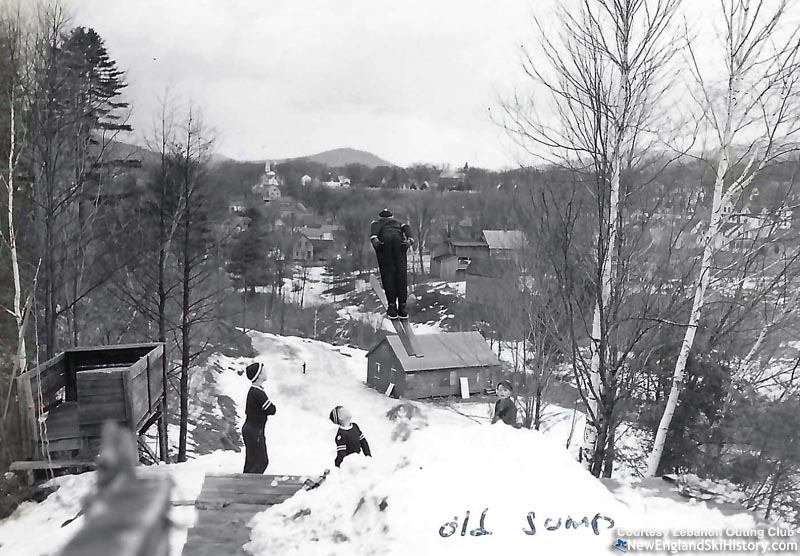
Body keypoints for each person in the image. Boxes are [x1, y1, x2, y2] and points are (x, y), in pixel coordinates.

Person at [370, 208, 414, 319]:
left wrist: (377, 245)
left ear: (380, 217)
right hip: (400, 245)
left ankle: (392, 307)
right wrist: (410, 241)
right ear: (392, 216)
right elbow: (407, 228)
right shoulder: (399, 223)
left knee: (388, 276)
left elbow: (374, 236)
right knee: (401, 275)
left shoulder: (376, 223)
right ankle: (403, 307)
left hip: (385, 245)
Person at [242, 362, 276, 473]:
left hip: (252, 429)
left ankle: (244, 485)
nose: (266, 372)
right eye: (263, 370)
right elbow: (271, 409)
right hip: (254, 430)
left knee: (251, 462)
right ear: (259, 375)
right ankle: (249, 486)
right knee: (261, 461)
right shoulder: (257, 393)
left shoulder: (255, 391)